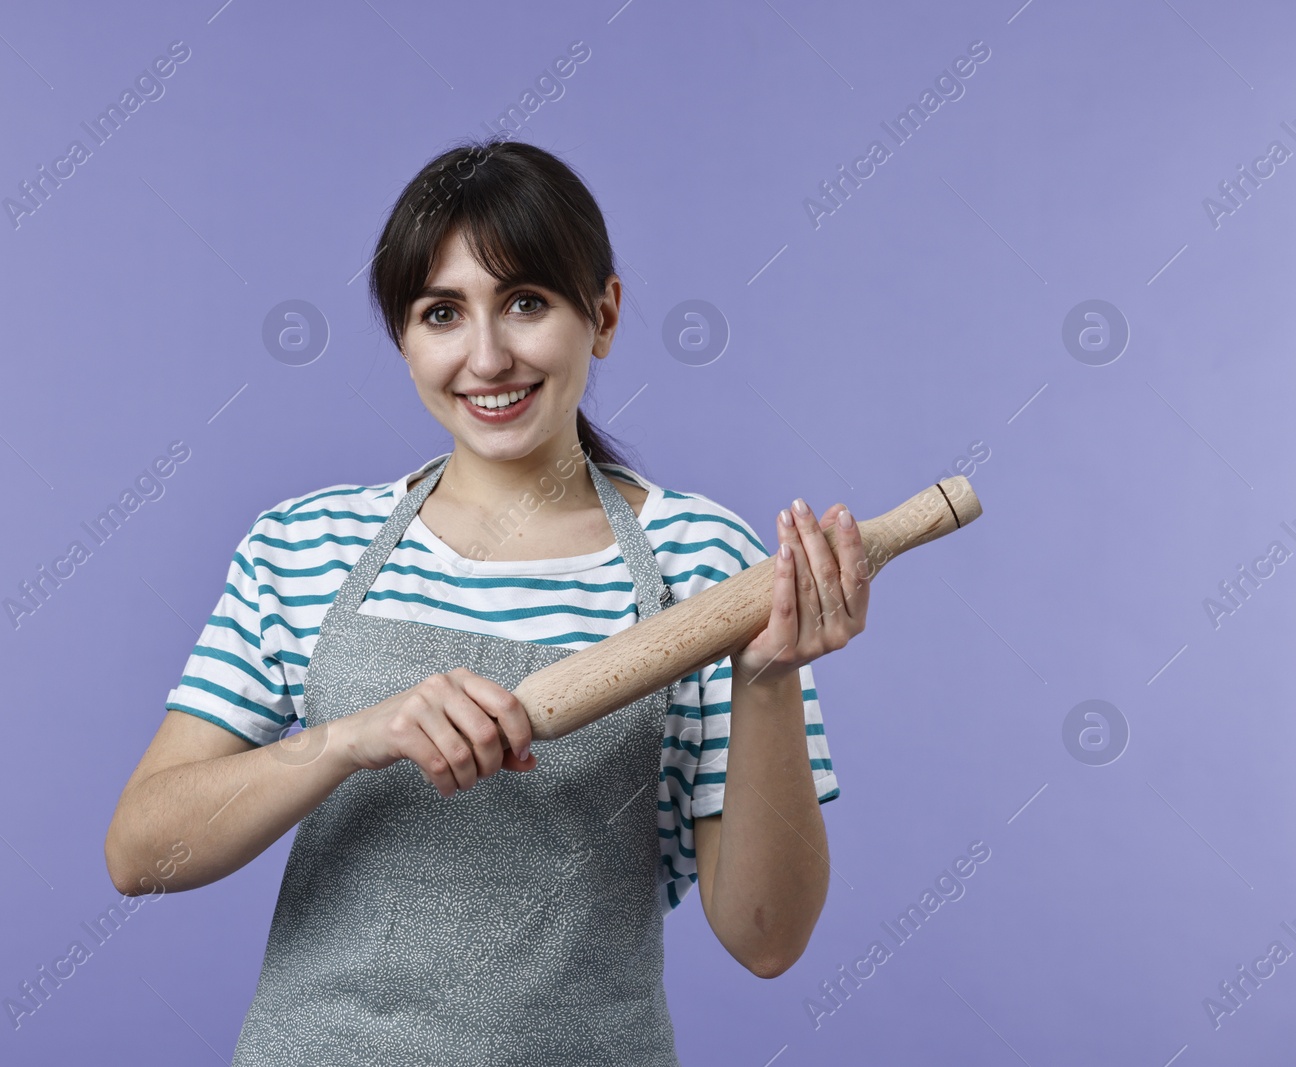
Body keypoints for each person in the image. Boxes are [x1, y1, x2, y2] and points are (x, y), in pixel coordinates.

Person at [104, 138, 871, 1065]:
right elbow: (140, 853)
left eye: (526, 302)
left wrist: (768, 683)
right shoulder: (303, 546)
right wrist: (350, 736)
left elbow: (766, 937)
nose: (487, 355)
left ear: (605, 313)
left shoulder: (708, 567)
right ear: (403, 337)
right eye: (441, 313)